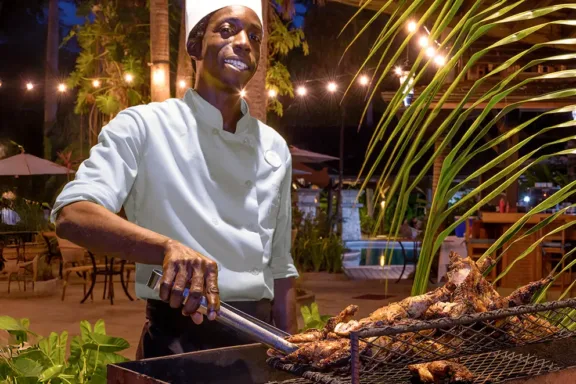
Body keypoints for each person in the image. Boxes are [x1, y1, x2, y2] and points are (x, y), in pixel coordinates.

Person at [51, 0, 299, 359]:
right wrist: (166, 248)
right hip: (175, 346)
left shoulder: (274, 147)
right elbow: (73, 214)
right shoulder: (143, 126)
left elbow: (281, 269)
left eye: (255, 36)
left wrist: (299, 357)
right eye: (227, 30)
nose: (244, 42)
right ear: (195, 44)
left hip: (258, 344)